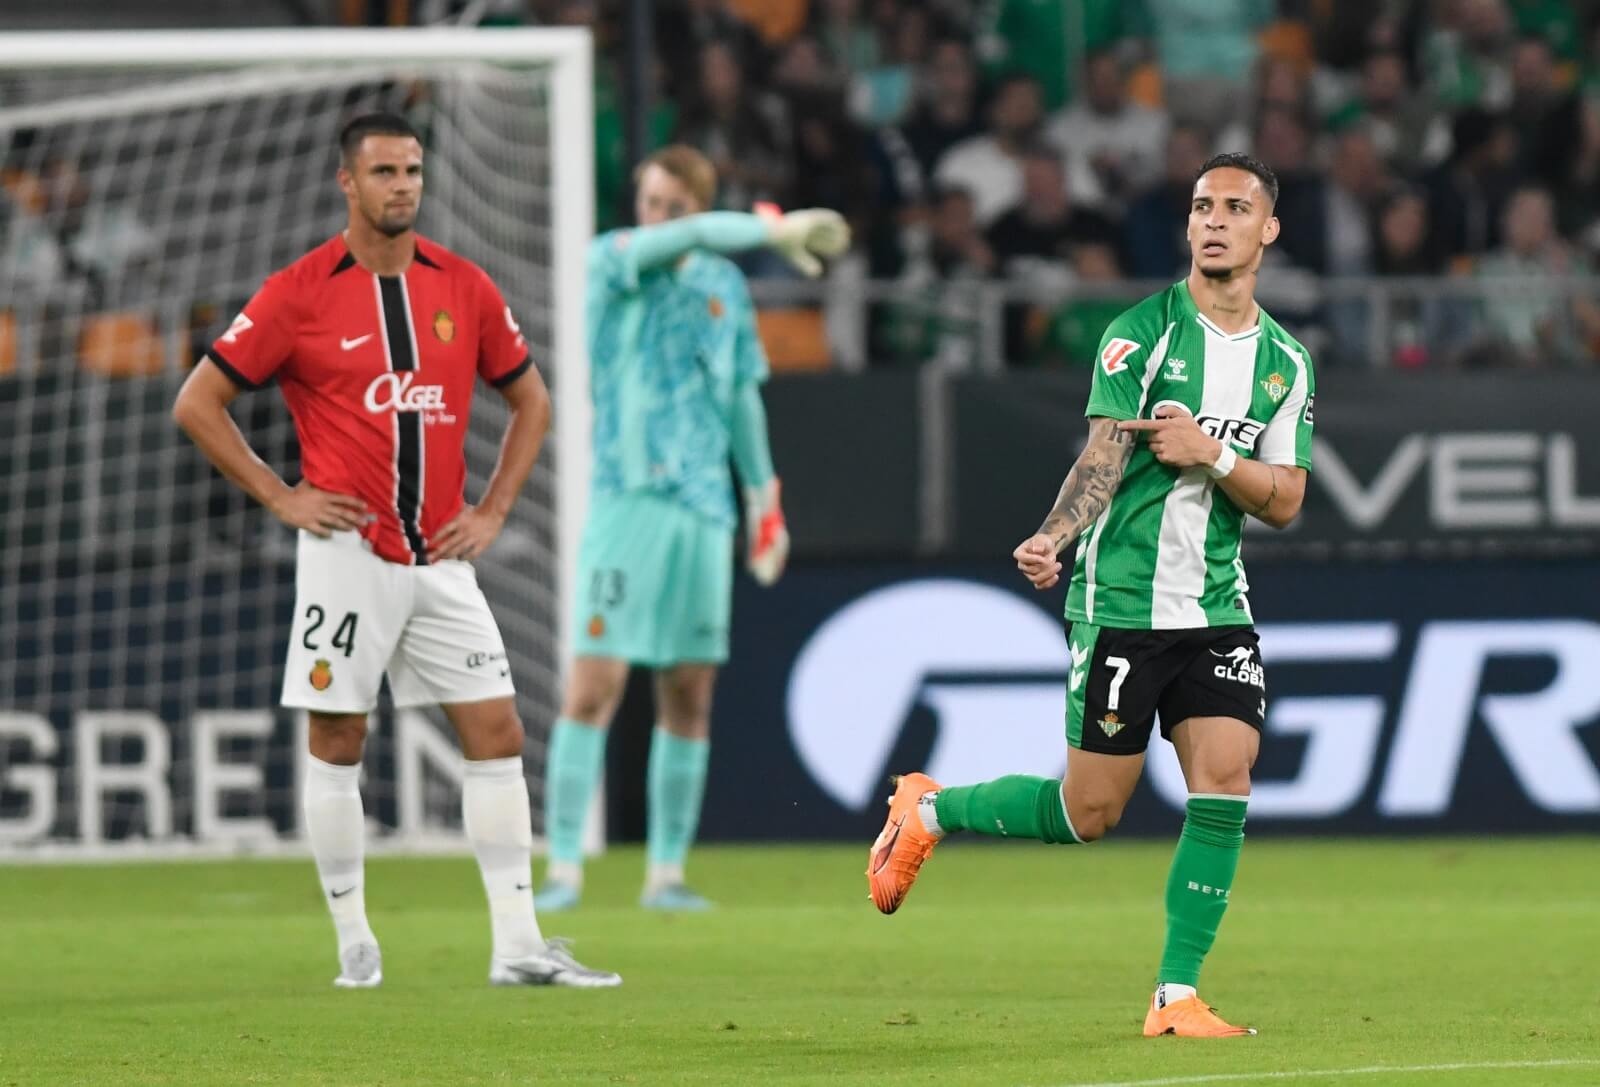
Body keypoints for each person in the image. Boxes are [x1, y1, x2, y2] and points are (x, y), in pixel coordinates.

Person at [867, 152, 1317, 1039]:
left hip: (1217, 605)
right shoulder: (1140, 333)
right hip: (1121, 602)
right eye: (1200, 206)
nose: (1214, 220)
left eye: (1235, 207)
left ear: (1268, 230)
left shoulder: (1286, 362)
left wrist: (1213, 454)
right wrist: (1054, 535)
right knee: (1090, 813)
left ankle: (1174, 995)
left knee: (1226, 778)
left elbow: (1289, 499)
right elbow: (1104, 455)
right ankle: (927, 807)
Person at [171, 112, 619, 990]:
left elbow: (533, 401)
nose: (401, 185)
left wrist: (492, 509)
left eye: (412, 169)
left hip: (444, 558)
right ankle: (353, 941)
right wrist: (279, 494)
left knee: (498, 731)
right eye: (383, 171)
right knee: (339, 737)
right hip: (348, 553)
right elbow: (197, 401)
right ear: (348, 182)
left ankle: (519, 945)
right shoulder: (298, 291)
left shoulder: (464, 285)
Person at [536, 145, 848, 912]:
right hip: (625, 497)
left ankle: (666, 873)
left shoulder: (721, 287)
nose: (659, 219)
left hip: (704, 508)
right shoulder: (612, 260)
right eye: (652, 203)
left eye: (676, 207)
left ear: (700, 210)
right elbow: (670, 244)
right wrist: (762, 230)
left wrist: (763, 499)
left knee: (689, 689)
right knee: (592, 685)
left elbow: (741, 396)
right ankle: (564, 868)